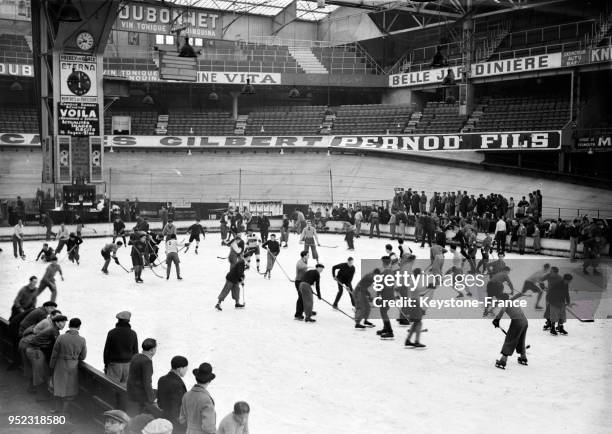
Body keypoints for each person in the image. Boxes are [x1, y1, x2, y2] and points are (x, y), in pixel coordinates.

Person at [49, 317, 87, 416]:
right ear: (79, 327)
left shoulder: (61, 337)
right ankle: (64, 411)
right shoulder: (82, 340)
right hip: (73, 366)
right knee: (69, 389)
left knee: (58, 386)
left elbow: (54, 354)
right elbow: (83, 357)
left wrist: (51, 367)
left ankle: (56, 409)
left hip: (60, 365)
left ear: (69, 325)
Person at [23, 314, 67, 396]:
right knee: (40, 373)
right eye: (62, 322)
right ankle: (40, 396)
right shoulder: (53, 331)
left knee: (39, 371)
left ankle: (32, 389)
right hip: (35, 350)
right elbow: (56, 346)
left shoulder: (54, 329)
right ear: (56, 322)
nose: (64, 324)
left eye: (65, 322)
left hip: (34, 349)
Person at [492, 289, 529, 369]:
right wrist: (521, 293)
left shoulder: (505, 303)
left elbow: (502, 311)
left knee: (510, 339)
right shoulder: (510, 301)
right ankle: (523, 357)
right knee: (520, 339)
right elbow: (516, 296)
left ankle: (503, 360)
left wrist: (497, 319)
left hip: (517, 322)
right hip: (525, 322)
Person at [179, 363, 217, 434]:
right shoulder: (206, 399)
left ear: (196, 378)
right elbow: (209, 427)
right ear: (209, 381)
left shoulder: (186, 395)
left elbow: (182, 420)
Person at [104, 311, 139, 384]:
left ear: (118, 320)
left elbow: (106, 351)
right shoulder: (133, 333)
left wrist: (106, 365)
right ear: (128, 321)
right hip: (128, 366)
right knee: (125, 389)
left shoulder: (112, 332)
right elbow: (135, 352)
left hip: (114, 365)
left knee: (112, 387)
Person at [126, 338, 158, 415]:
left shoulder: (136, 356)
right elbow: (147, 382)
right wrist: (152, 399)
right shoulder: (147, 362)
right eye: (156, 348)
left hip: (131, 391)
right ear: (152, 350)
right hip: (139, 395)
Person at [157, 355, 188, 430]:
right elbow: (177, 408)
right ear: (180, 369)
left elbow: (159, 403)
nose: (186, 371)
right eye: (186, 368)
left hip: (164, 419)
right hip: (176, 425)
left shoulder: (161, 379)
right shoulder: (177, 384)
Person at [405, 268, 426, 348]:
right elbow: (417, 289)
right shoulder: (413, 280)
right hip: (414, 302)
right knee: (419, 322)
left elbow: (416, 291)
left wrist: (421, 293)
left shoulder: (412, 280)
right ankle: (416, 341)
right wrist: (428, 286)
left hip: (413, 301)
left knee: (416, 322)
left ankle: (408, 340)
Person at [294, 251, 309, 320]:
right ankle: (297, 315)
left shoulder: (305, 261)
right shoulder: (299, 262)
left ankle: (303, 311)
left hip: (303, 282)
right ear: (304, 256)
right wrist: (307, 267)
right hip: (298, 282)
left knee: (303, 297)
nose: (309, 256)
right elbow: (299, 267)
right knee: (301, 297)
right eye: (307, 255)